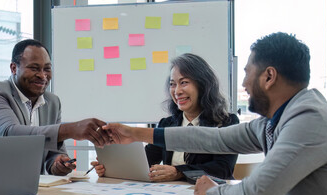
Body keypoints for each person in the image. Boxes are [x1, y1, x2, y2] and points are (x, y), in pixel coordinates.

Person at [101, 32, 327, 195]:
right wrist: (135, 133)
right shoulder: (275, 121)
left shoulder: (309, 120)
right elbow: (214, 139)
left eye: (247, 73)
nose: (244, 83)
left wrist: (214, 190)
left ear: (269, 76)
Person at [0, 39, 110, 186]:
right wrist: (70, 129)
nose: (42, 75)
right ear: (14, 68)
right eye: (34, 68)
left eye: (47, 69)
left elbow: (53, 154)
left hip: (27, 191)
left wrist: (58, 164)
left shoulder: (52, 102)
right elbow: (9, 133)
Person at [91, 53, 239, 182]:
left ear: (203, 85)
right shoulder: (167, 124)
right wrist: (113, 168)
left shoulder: (227, 122)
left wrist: (179, 172)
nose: (177, 91)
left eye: (184, 83)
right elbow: (146, 162)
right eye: (172, 84)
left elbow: (223, 169)